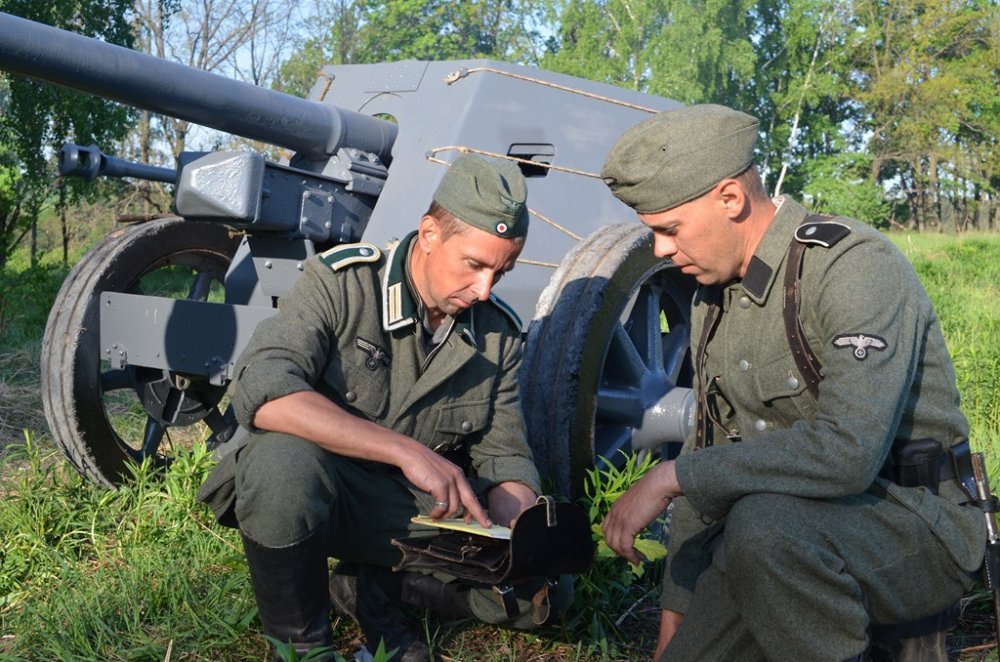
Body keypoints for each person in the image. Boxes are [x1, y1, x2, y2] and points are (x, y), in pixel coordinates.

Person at [598, 104, 986, 661]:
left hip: (914, 527)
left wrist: (671, 476)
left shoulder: (851, 267)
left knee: (763, 526)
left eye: (670, 229)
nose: (660, 249)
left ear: (730, 198)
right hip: (778, 539)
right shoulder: (713, 298)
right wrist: (676, 617)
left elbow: (847, 452)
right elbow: (708, 454)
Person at [198, 153, 569, 661]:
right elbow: (264, 391)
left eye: (500, 272)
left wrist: (515, 519)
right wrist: (405, 451)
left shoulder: (496, 333)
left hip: (412, 512)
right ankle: (303, 648)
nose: (484, 290)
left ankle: (370, 588)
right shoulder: (341, 282)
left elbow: (504, 453)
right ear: (430, 234)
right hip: (322, 495)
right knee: (281, 462)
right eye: (475, 265)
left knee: (543, 593)